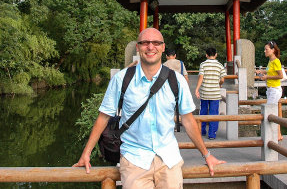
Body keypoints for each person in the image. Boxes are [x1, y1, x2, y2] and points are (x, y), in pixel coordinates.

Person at [73, 28, 225, 188]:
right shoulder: (121, 79)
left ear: (163, 47)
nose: (150, 47)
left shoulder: (177, 81)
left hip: (169, 159)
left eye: (156, 43)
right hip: (134, 159)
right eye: (145, 43)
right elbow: (103, 117)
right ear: (138, 47)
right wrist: (86, 153)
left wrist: (206, 154)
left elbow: (188, 121)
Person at [195, 47, 226, 140]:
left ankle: (202, 131)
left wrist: (197, 89)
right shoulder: (220, 65)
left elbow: (201, 77)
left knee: (203, 111)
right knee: (214, 113)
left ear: (206, 55)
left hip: (205, 92)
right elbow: (222, 79)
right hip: (215, 93)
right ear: (216, 54)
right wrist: (219, 84)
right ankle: (212, 134)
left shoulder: (203, 64)